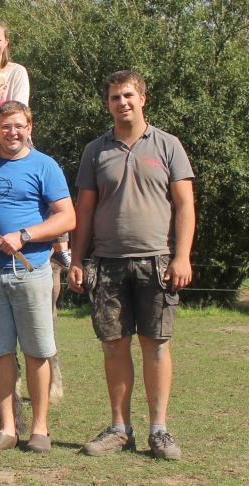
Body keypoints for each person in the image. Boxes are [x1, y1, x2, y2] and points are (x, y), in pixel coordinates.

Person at [70, 70, 195, 461]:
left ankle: (160, 429)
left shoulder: (168, 145)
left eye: (127, 95)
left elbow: (185, 205)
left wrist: (181, 255)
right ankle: (120, 429)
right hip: (107, 263)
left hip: (157, 261)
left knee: (156, 346)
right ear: (107, 103)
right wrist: (75, 258)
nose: (121, 103)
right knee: (113, 347)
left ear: (142, 97)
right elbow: (84, 210)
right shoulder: (95, 150)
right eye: (114, 97)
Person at [0, 101, 75, 454]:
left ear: (29, 127)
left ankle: (40, 429)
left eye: (19, 126)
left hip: (30, 270)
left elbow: (67, 218)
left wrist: (25, 235)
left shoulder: (44, 166)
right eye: (5, 126)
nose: (12, 132)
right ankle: (7, 428)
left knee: (37, 351)